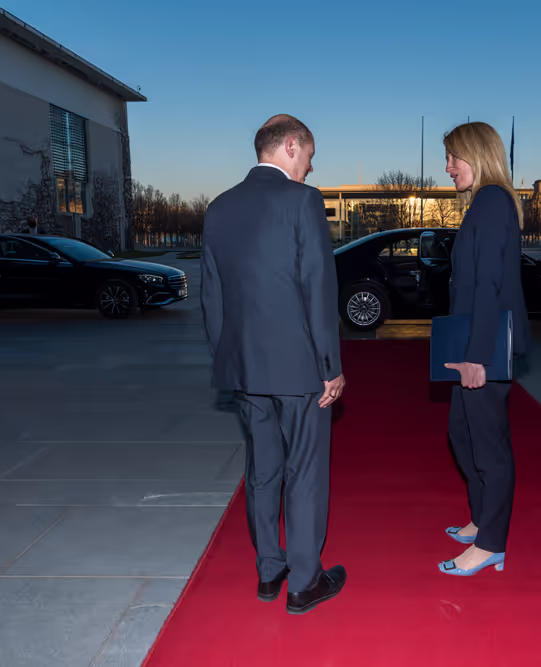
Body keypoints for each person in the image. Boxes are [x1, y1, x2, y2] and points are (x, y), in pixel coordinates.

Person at [199, 114, 347, 614]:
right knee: (305, 471)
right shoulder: (303, 200)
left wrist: (228, 359)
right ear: (290, 146)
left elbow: (211, 298)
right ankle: (305, 583)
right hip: (300, 368)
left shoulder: (218, 208)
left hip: (244, 369)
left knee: (263, 470)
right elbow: (317, 288)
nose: (309, 166)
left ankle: (269, 570)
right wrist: (330, 365)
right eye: (308, 155)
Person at [439, 122, 528, 576]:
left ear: (478, 153)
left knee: (488, 445)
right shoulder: (484, 203)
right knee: (462, 432)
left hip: (485, 344)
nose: (448, 166)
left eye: (454, 157)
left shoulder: (492, 200)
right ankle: (480, 519)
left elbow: (490, 285)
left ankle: (492, 543)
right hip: (473, 339)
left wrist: (477, 356)